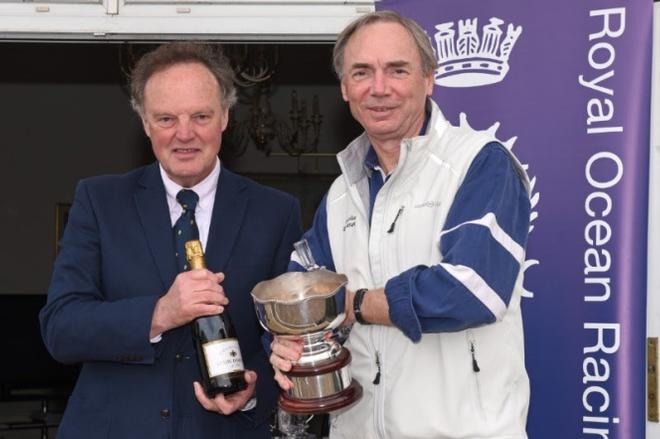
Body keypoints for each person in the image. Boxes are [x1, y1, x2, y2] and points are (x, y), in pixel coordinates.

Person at [269, 10, 531, 439]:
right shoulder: (341, 193)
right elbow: (301, 286)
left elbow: (471, 290)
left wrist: (352, 306)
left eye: (397, 70)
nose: (379, 88)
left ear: (429, 79)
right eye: (362, 72)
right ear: (344, 88)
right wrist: (289, 341)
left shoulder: (480, 162)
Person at [40, 43, 302, 439]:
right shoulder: (99, 202)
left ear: (225, 117)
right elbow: (61, 328)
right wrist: (160, 313)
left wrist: (253, 390)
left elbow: (287, 338)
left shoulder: (276, 212)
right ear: (144, 122)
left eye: (200, 116)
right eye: (166, 118)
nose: (184, 134)